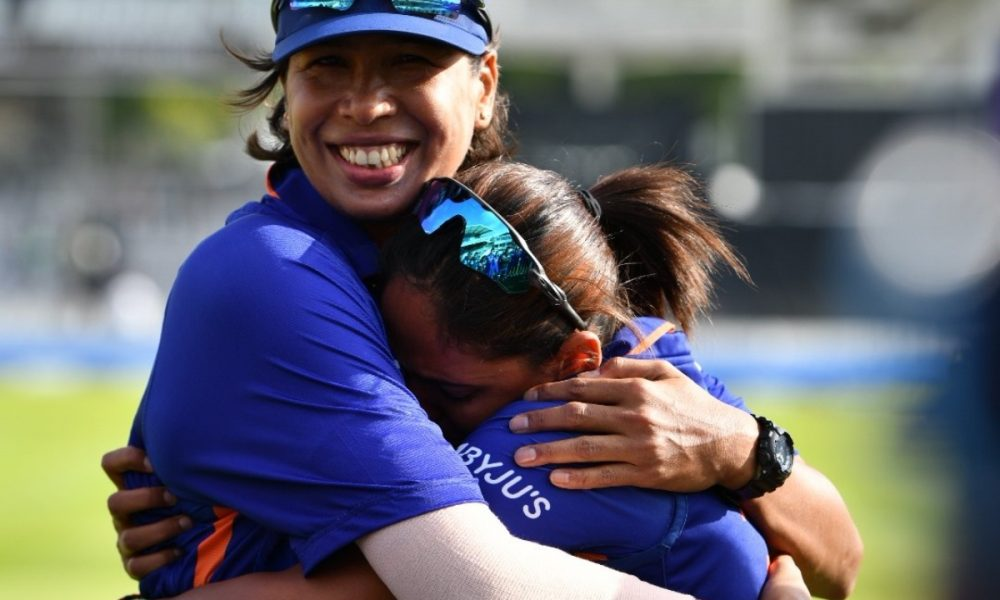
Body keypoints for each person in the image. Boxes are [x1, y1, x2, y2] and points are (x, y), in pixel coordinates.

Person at [102, 1, 859, 598]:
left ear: (485, 83)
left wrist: (740, 449)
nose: (365, 105)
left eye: (411, 62)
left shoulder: (521, 262)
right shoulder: (273, 274)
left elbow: (841, 561)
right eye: (327, 64)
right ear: (287, 89)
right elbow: (465, 582)